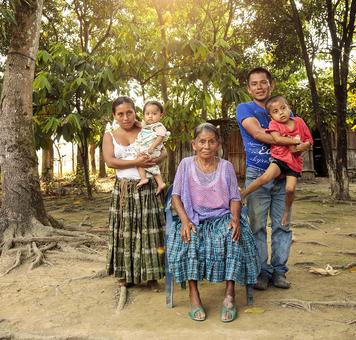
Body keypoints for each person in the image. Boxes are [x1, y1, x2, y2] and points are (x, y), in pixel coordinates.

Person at [167, 123, 259, 323]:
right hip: (193, 218)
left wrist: (235, 219)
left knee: (232, 236)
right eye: (202, 141)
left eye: (211, 141)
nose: (206, 146)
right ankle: (194, 295)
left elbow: (235, 197)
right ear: (194, 144)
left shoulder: (226, 166)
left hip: (222, 217)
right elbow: (175, 197)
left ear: (218, 144)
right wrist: (184, 220)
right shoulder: (185, 164)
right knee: (189, 239)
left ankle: (229, 294)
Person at [235, 67, 311, 291]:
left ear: (271, 85)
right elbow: (258, 134)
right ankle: (261, 272)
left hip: (284, 174)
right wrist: (293, 142)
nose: (259, 87)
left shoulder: (283, 110)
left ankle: (279, 272)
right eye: (254, 84)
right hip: (258, 172)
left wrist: (303, 144)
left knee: (282, 225)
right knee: (257, 226)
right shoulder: (245, 108)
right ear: (249, 89)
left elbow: (305, 140)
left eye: (263, 82)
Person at [102, 96, 166, 288]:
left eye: (129, 112)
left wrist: (155, 159)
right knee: (125, 232)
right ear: (114, 115)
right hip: (124, 190)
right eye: (120, 114)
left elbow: (164, 152)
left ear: (135, 112)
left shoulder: (147, 129)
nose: (125, 117)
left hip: (147, 189)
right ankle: (125, 275)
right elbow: (110, 161)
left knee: (149, 231)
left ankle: (152, 275)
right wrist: (136, 162)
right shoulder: (110, 135)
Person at [240, 95, 313, 226]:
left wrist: (305, 145)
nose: (281, 113)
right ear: (271, 116)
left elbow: (309, 140)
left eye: (283, 108)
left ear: (289, 108)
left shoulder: (299, 122)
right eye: (275, 111)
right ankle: (243, 194)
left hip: (294, 164)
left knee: (290, 189)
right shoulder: (274, 124)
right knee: (265, 177)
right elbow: (278, 139)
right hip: (280, 159)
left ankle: (286, 212)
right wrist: (296, 142)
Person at [135, 100, 170, 195]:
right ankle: (160, 182)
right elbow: (140, 124)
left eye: (154, 113)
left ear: (160, 115)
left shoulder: (158, 126)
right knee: (146, 163)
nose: (150, 116)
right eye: (147, 114)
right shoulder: (147, 126)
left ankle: (144, 179)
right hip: (149, 149)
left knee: (141, 161)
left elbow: (161, 136)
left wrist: (152, 147)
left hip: (153, 149)